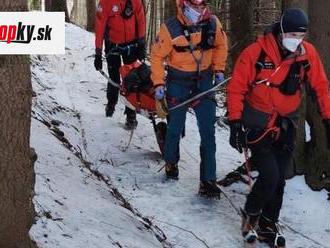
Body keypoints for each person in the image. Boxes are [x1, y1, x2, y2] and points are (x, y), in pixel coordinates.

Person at [227, 8, 330, 247]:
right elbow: (236, 88)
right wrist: (234, 123)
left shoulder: (306, 54)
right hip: (257, 123)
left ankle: (268, 223)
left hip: (287, 123)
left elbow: (321, 87)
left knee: (280, 178)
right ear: (281, 31)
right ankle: (250, 214)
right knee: (270, 174)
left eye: (301, 35)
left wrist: (327, 118)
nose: (297, 40)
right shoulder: (256, 53)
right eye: (293, 34)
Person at [150, 0, 228, 197]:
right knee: (175, 128)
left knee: (208, 132)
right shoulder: (170, 28)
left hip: (204, 82)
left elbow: (221, 45)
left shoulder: (213, 24)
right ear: (184, 5)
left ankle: (208, 180)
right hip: (178, 82)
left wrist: (219, 69)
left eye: (203, 7)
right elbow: (157, 56)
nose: (200, 11)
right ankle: (171, 162)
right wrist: (159, 83)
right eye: (196, 7)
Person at [94, 0, 146, 129]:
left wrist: (141, 43)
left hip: (132, 44)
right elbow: (100, 26)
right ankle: (111, 103)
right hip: (112, 44)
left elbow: (141, 20)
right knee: (114, 78)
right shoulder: (105, 2)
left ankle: (130, 114)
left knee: (132, 80)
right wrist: (98, 52)